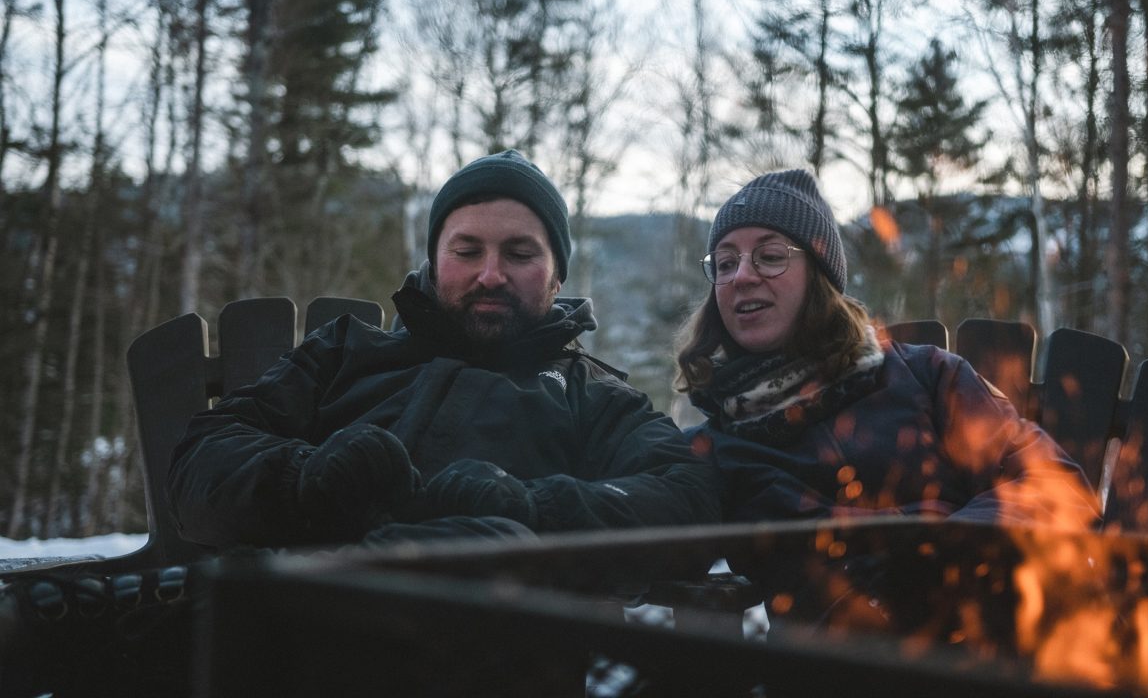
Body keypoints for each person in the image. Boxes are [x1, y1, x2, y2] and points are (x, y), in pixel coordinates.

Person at [167, 149, 719, 551]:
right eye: (467, 250)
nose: (491, 274)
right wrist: (308, 479)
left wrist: (533, 507)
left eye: (520, 253)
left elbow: (686, 497)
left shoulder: (592, 397)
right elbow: (205, 455)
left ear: (557, 277)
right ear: (435, 262)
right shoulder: (345, 352)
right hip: (307, 628)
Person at [675, 168, 1100, 533]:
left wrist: (942, 544)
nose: (742, 276)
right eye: (725, 263)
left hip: (986, 608)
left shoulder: (926, 377)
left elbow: (1055, 486)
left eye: (769, 256)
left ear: (819, 277)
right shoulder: (719, 444)